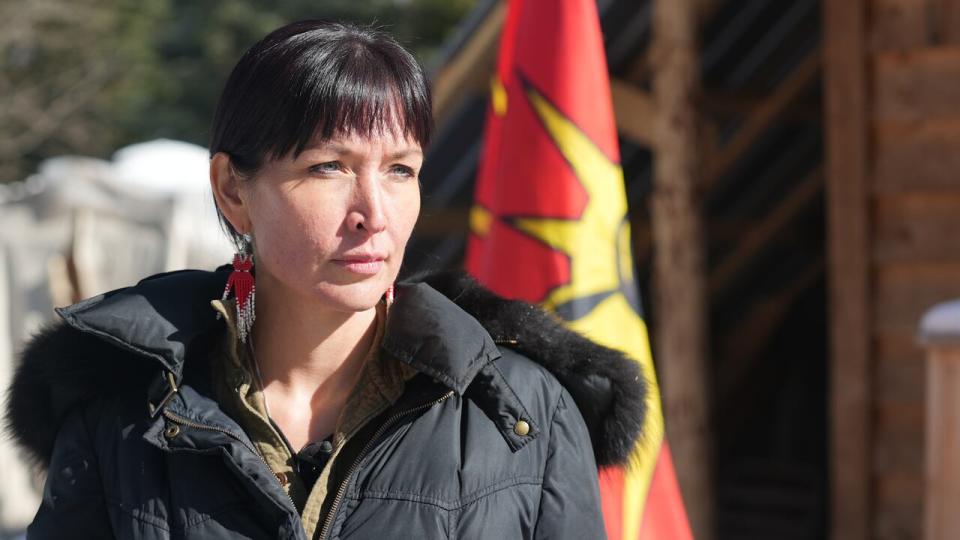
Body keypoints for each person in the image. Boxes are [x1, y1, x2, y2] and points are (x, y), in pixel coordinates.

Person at [4, 20, 646, 539]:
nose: (373, 215)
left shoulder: (521, 412)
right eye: (328, 168)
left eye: (400, 170)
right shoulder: (122, 411)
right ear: (233, 189)